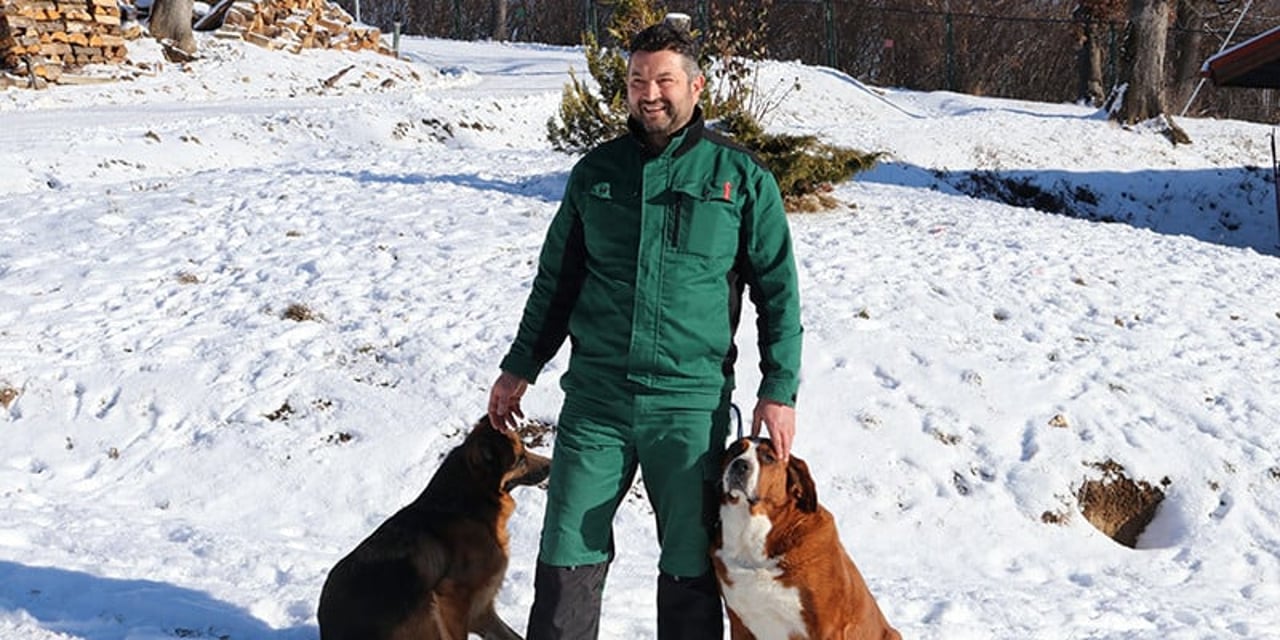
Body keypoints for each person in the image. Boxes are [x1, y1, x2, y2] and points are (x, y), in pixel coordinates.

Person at [487, 18, 803, 640]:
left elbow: (778, 292)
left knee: (688, 558)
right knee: (566, 545)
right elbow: (557, 282)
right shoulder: (597, 173)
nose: (648, 93)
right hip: (598, 399)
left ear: (695, 84)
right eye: (636, 81)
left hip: (688, 404)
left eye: (663, 79)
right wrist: (520, 366)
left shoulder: (741, 177)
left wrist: (780, 389)